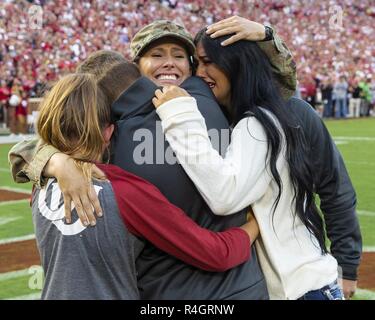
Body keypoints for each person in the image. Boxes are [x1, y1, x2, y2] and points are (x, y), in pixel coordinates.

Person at [10, 18, 296, 299]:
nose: (169, 63)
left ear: (194, 67)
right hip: (223, 283)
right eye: (156, 54)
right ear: (133, 68)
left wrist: (52, 160)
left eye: (179, 56)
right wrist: (57, 162)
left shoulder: (210, 101)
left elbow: (276, 91)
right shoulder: (121, 126)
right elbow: (58, 135)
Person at [151, 27, 362, 300]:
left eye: (208, 62)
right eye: (196, 63)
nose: (199, 73)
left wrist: (177, 115)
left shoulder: (260, 122)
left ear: (236, 65)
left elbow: (225, 193)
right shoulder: (235, 119)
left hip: (299, 289)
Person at [33, 70, 261, 299]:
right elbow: (216, 254)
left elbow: (28, 158)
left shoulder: (38, 183)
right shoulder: (125, 191)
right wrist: (255, 225)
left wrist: (55, 161)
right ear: (109, 132)